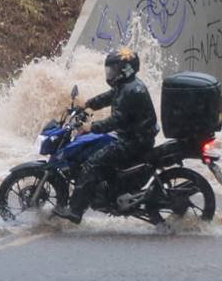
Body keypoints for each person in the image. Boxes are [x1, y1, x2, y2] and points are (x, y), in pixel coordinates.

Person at [53, 47, 159, 224]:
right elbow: (108, 97)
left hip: (133, 142)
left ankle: (75, 211)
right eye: (109, 70)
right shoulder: (126, 86)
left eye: (114, 70)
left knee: (91, 164)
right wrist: (86, 105)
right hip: (134, 137)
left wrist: (90, 127)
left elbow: (116, 120)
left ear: (125, 70)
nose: (110, 74)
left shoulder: (131, 90)